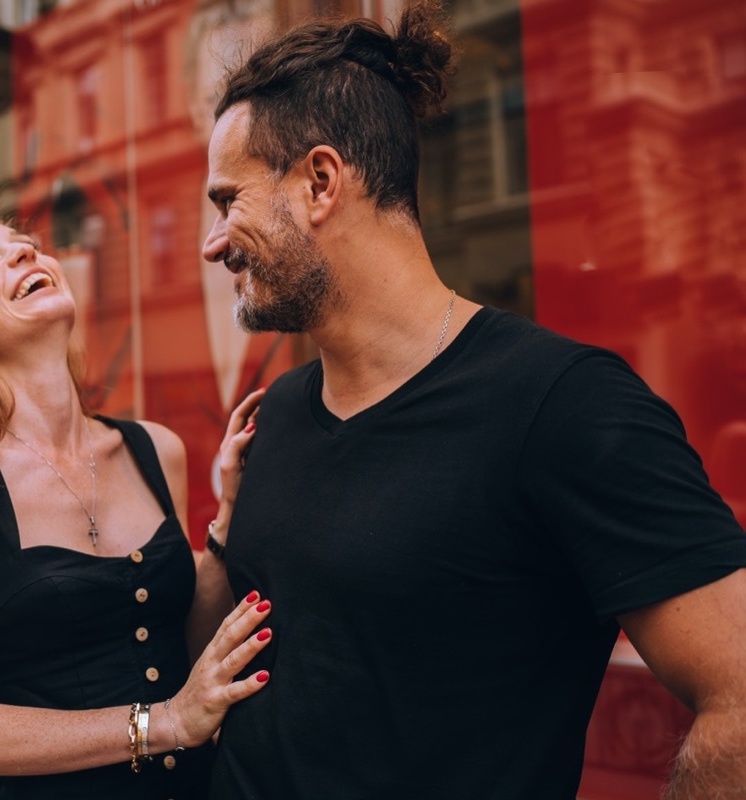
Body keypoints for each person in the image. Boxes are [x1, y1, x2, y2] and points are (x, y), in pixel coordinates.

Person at [197, 1, 746, 797]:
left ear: (320, 181)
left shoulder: (561, 404)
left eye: (227, 200)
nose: (213, 242)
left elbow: (737, 693)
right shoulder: (274, 414)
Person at [0, 204, 269, 800]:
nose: (24, 251)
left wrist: (229, 517)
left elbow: (186, 648)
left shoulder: (155, 449)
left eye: (22, 242)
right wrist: (160, 723)